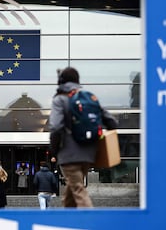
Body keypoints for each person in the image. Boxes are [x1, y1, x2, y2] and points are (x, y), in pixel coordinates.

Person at [49, 67, 118, 207]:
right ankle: (69, 223)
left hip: (68, 155)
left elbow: (55, 127)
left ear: (61, 81)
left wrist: (54, 150)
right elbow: (112, 121)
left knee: (78, 190)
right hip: (89, 153)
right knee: (72, 191)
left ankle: (90, 223)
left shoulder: (60, 99)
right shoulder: (89, 97)